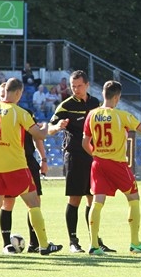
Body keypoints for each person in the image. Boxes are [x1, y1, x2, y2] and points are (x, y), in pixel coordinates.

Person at [0, 77, 63, 256]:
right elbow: (39, 135)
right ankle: (44, 245)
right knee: (33, 203)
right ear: (18, 92)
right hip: (16, 166)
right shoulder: (19, 112)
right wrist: (50, 127)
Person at [82, 81, 141, 255]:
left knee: (97, 203)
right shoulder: (122, 115)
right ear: (117, 97)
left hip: (98, 163)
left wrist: (96, 155)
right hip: (117, 164)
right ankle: (135, 243)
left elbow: (84, 142)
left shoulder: (91, 114)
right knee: (133, 198)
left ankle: (94, 245)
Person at [48, 70, 113, 253]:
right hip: (75, 156)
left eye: (79, 86)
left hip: (93, 156)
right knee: (75, 199)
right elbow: (50, 128)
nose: (75, 89)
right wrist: (57, 127)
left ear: (87, 85)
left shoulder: (95, 103)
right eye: (73, 86)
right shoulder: (65, 105)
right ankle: (73, 242)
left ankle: (96, 241)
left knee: (93, 200)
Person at [0, 82, 48, 254]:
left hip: (28, 161)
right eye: (1, 92)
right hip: (12, 163)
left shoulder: (25, 114)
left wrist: (44, 159)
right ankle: (7, 243)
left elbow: (37, 138)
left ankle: (35, 242)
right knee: (8, 202)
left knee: (35, 203)